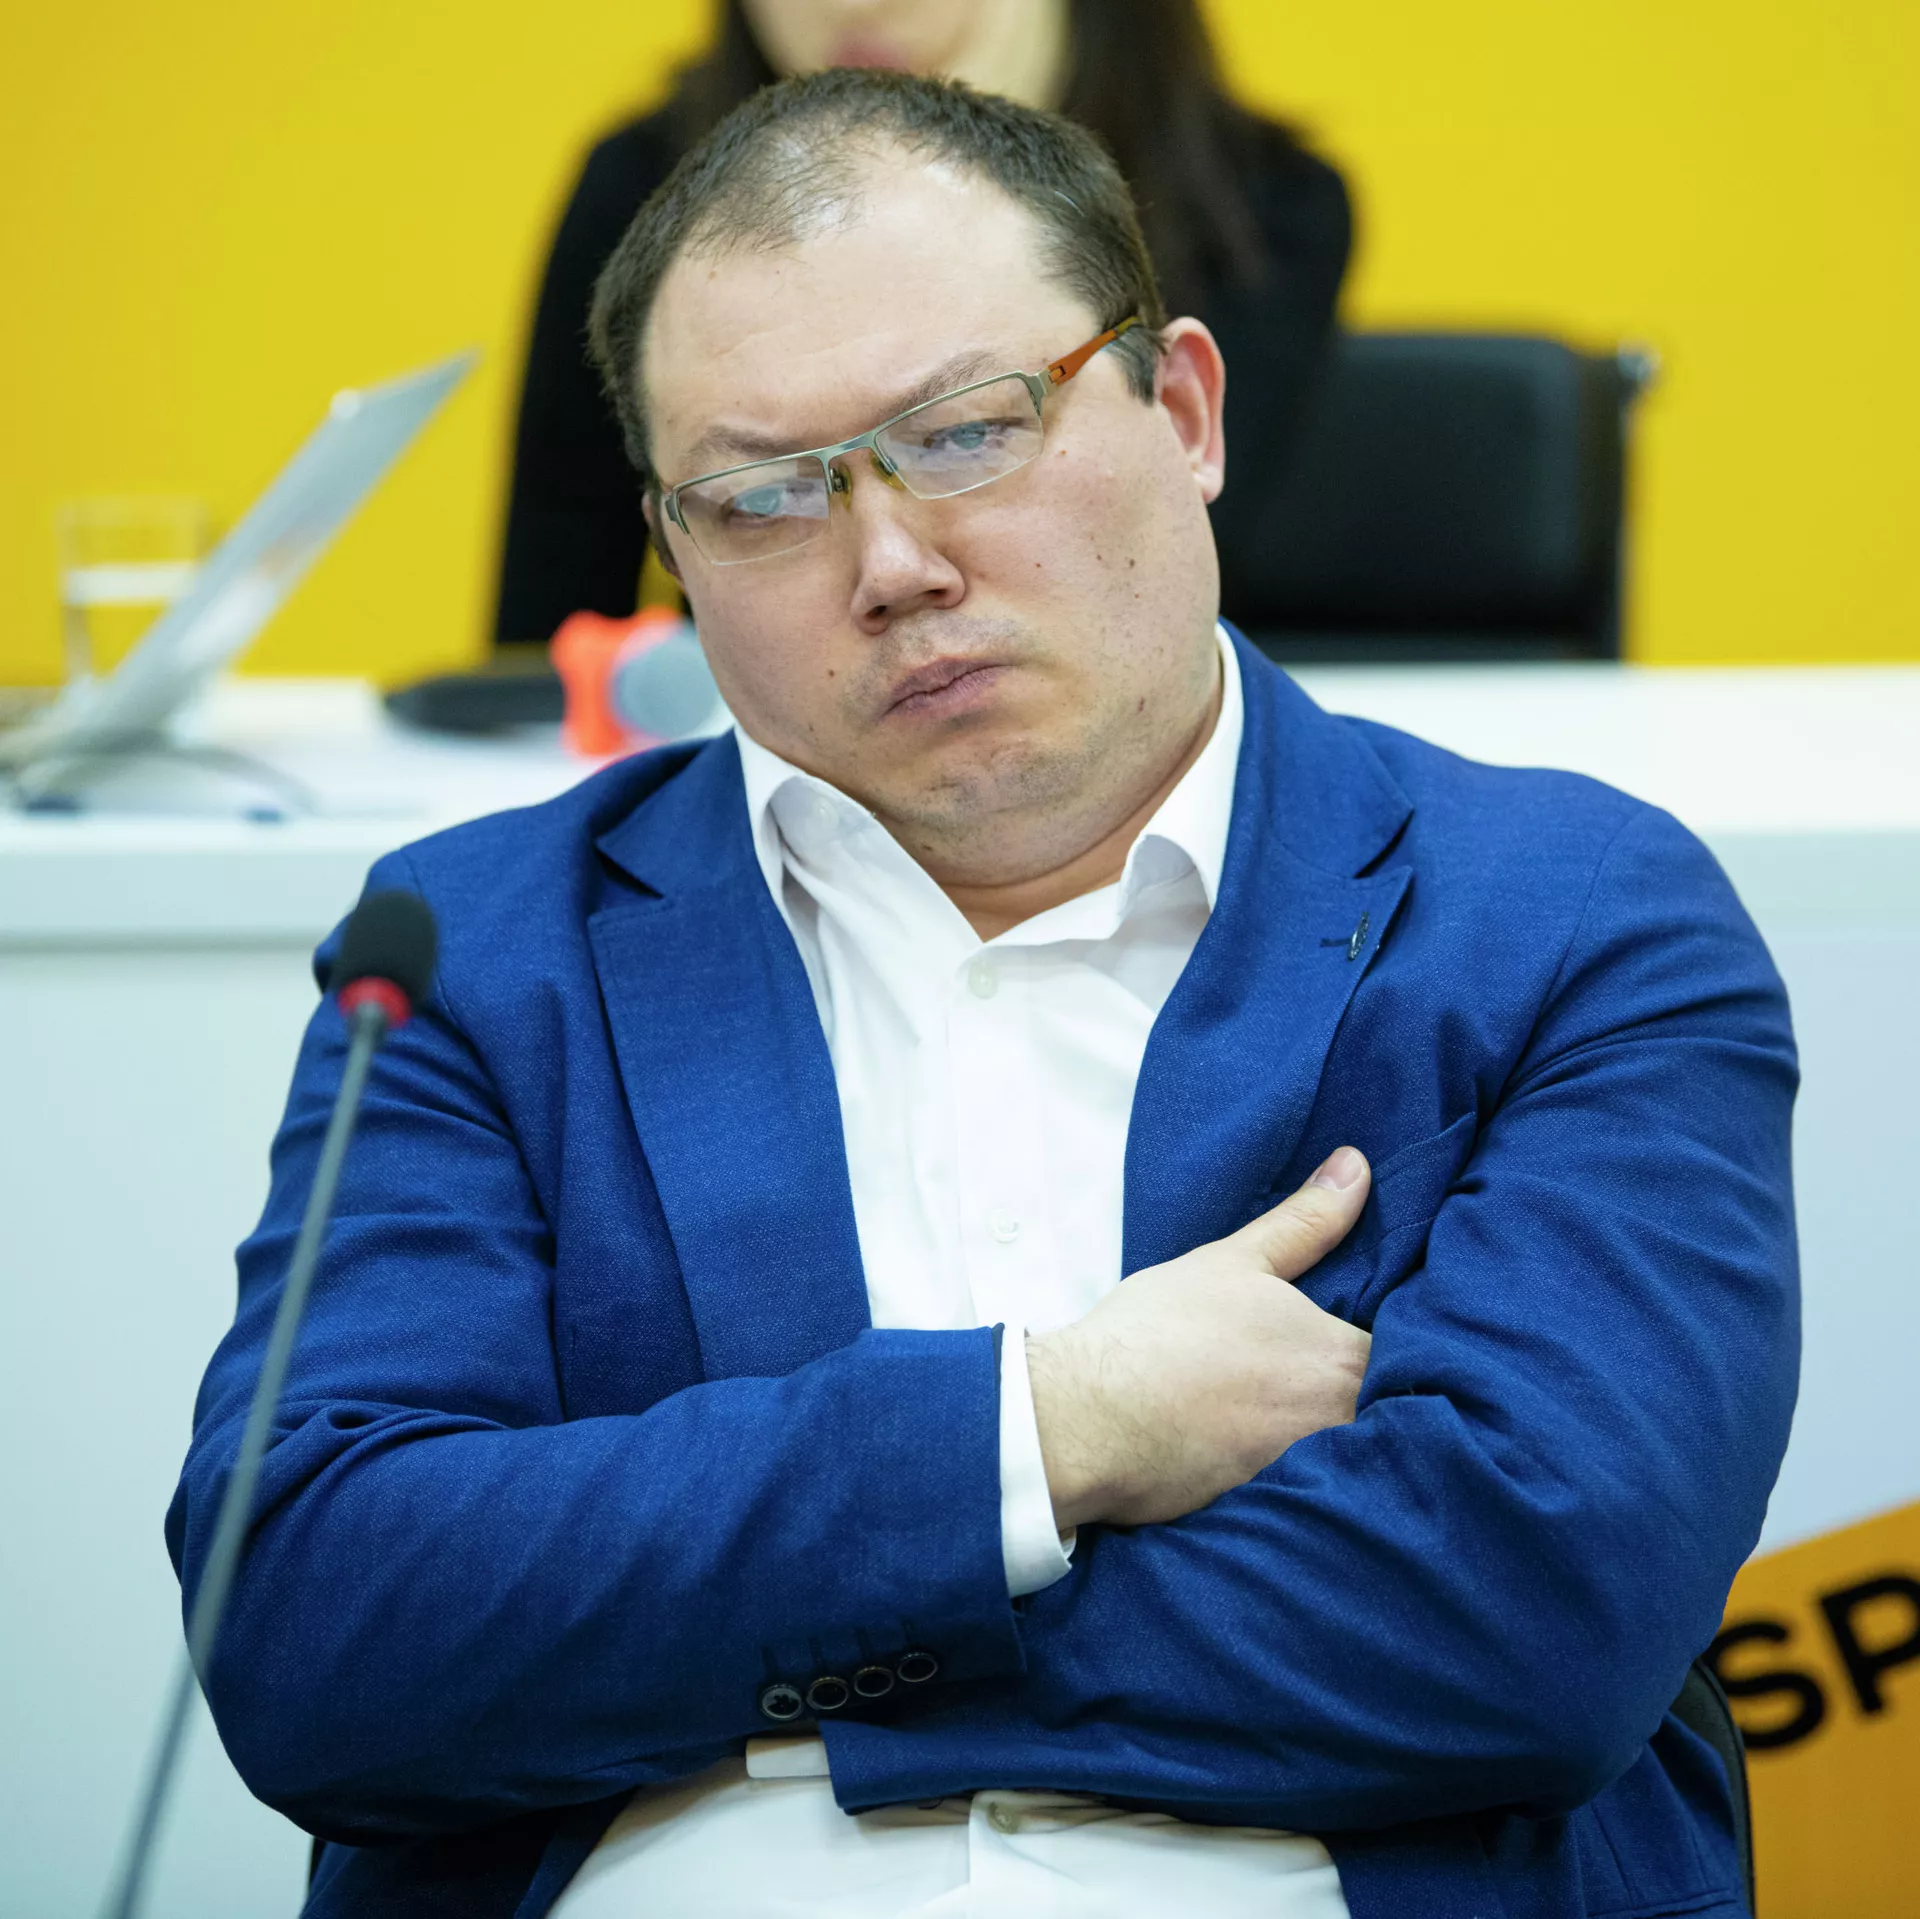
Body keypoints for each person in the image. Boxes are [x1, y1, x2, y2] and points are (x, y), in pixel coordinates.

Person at [173, 70, 1796, 1919]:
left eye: (964, 433)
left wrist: (752, 1660)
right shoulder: (478, 950)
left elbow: (1536, 1615)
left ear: (1182, 411)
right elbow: (317, 1622)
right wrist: (1048, 1428)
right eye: (762, 498)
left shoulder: (1566, 914)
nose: (892, 565)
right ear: (673, 549)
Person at [494, 0, 1350, 649]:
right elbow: (549, 611)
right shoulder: (641, 193)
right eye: (765, 496)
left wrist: (969, 136)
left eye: (971, 431)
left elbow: (1162, 553)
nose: (852, 9)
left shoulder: (1258, 204)